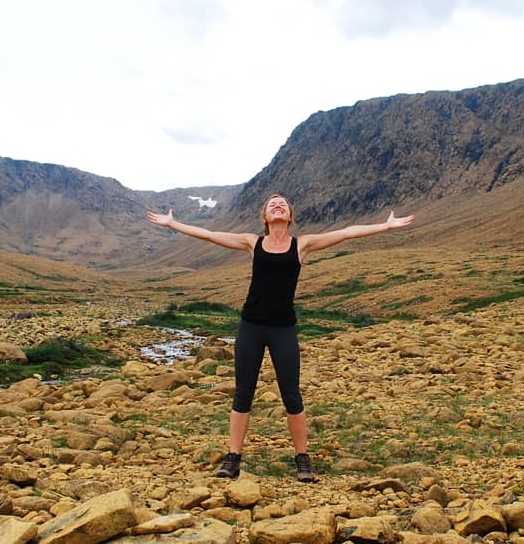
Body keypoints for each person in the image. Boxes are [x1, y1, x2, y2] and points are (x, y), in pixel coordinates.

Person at [145, 193, 414, 482]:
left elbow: (347, 233)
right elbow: (210, 235)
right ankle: (233, 458)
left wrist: (385, 227)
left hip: (283, 329)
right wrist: (174, 224)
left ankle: (303, 459)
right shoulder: (252, 242)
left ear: (289, 217)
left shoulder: (302, 245)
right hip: (251, 326)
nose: (277, 205)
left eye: (282, 204)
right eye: (272, 204)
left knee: (291, 395)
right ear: (265, 217)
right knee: (243, 392)